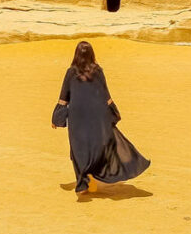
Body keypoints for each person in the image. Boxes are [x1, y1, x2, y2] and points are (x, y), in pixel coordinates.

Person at [51, 41, 150, 195]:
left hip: (78, 116)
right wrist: (113, 112)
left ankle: (83, 181)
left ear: (76, 55)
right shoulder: (98, 71)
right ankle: (89, 178)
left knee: (78, 148)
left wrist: (57, 117)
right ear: (92, 54)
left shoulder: (71, 72)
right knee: (97, 145)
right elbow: (105, 94)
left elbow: (64, 97)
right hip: (97, 114)